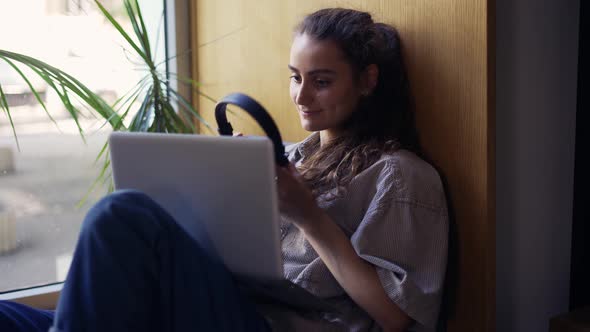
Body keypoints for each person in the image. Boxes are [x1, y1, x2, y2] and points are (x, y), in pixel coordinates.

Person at [0, 7, 448, 332]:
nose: (301, 96)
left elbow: (395, 315)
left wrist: (308, 215)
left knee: (120, 215)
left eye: (322, 81)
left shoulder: (400, 175)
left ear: (368, 80)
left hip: (274, 323)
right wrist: (223, 183)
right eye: (296, 76)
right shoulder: (291, 157)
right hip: (218, 303)